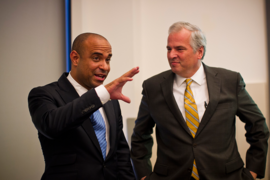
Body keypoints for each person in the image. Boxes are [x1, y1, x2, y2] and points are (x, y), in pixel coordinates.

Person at [131, 22, 269, 180]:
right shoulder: (153, 87)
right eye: (169, 49)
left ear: (199, 52)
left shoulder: (229, 81)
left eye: (179, 49)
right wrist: (143, 175)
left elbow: (258, 125)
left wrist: (252, 171)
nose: (171, 55)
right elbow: (140, 136)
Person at [28, 33, 138, 180]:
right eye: (96, 58)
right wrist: (100, 95)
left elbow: (121, 153)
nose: (105, 67)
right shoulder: (44, 94)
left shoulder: (111, 101)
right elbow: (51, 126)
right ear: (75, 58)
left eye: (108, 59)